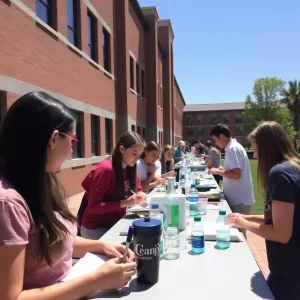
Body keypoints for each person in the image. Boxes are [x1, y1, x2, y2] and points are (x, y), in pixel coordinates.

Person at [0, 92, 136, 299]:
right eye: (72, 140)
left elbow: (55, 240)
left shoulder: (40, 181)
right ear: (54, 139)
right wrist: (96, 281)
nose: (73, 150)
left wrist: (101, 245)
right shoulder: (8, 203)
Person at [228, 121, 300, 300]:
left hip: (289, 271)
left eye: (255, 148)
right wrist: (248, 217)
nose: (255, 154)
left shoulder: (280, 174)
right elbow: (281, 217)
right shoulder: (292, 166)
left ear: (266, 147)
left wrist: (245, 224)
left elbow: (282, 233)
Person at [81, 131, 147, 240]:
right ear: (122, 149)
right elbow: (93, 207)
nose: (137, 159)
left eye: (139, 155)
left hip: (115, 223)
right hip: (96, 228)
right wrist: (125, 203)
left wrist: (141, 194)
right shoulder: (106, 169)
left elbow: (138, 188)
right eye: (134, 153)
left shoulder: (130, 167)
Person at [209, 124, 254, 216]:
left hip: (239, 200)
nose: (216, 143)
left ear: (221, 136)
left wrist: (217, 171)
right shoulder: (231, 147)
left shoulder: (233, 148)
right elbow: (233, 170)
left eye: (215, 140)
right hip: (237, 198)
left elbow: (236, 174)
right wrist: (222, 169)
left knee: (238, 230)